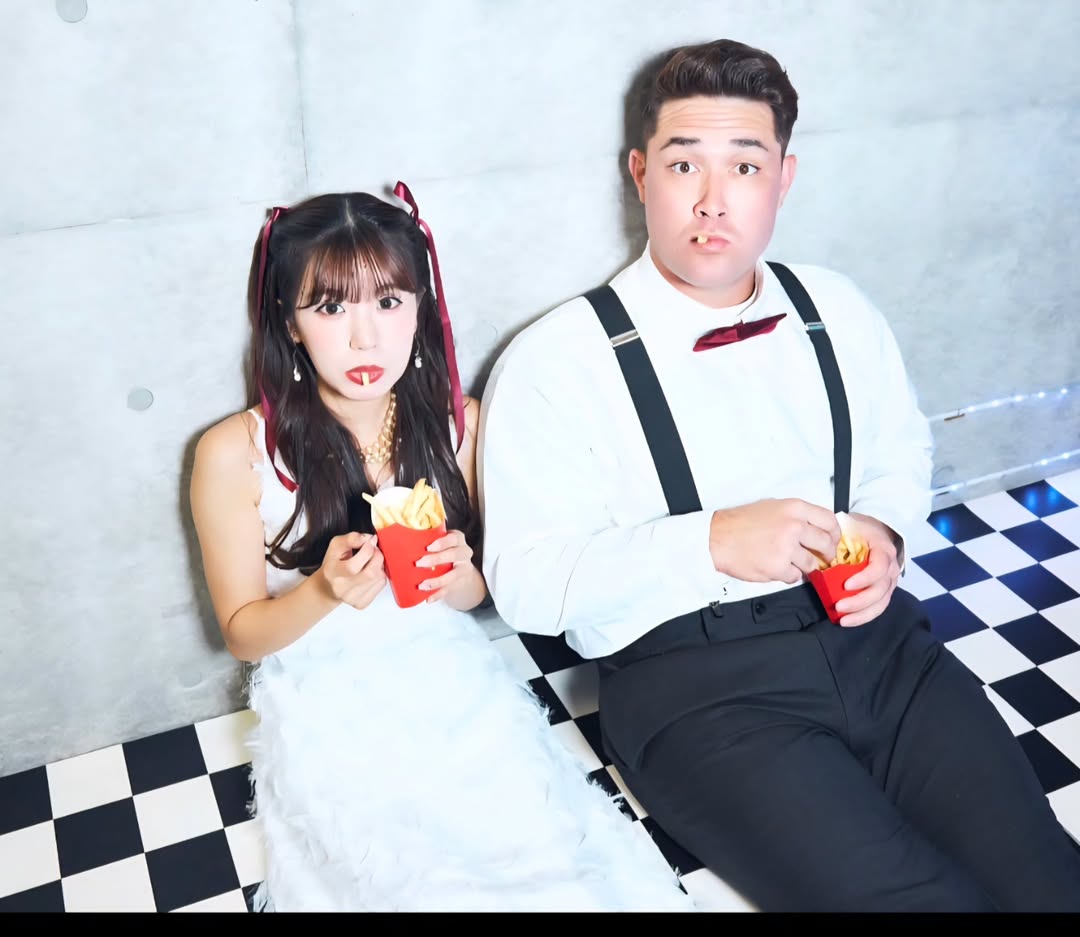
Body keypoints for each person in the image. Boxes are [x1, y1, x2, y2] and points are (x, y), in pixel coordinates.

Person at [478, 39, 1080, 912]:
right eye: (684, 163)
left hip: (881, 649)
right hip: (698, 693)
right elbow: (526, 586)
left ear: (784, 179)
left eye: (746, 165)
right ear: (640, 173)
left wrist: (884, 530)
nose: (713, 199)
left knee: (1048, 877)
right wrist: (712, 542)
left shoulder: (838, 307)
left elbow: (900, 448)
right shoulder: (555, 361)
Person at [188, 188, 695, 912]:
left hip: (452, 677)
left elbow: (489, 589)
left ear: (421, 307)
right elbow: (242, 633)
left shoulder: (463, 426)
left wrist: (464, 580)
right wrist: (322, 592)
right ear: (289, 322)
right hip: (324, 696)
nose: (365, 339)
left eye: (389, 302)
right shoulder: (234, 451)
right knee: (398, 877)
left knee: (547, 860)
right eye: (329, 308)